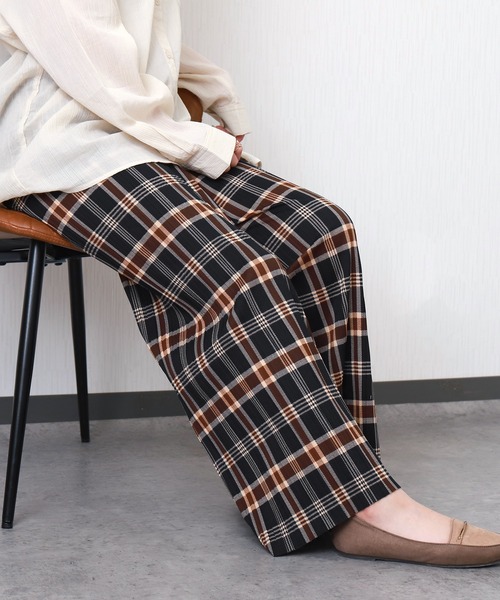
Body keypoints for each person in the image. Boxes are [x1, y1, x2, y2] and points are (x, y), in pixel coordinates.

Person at [0, 1, 499, 567]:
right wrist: (198, 143)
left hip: (138, 140)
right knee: (239, 273)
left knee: (319, 230)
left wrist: (219, 98)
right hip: (61, 153)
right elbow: (94, 68)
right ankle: (372, 508)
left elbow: (144, 39)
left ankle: (329, 494)